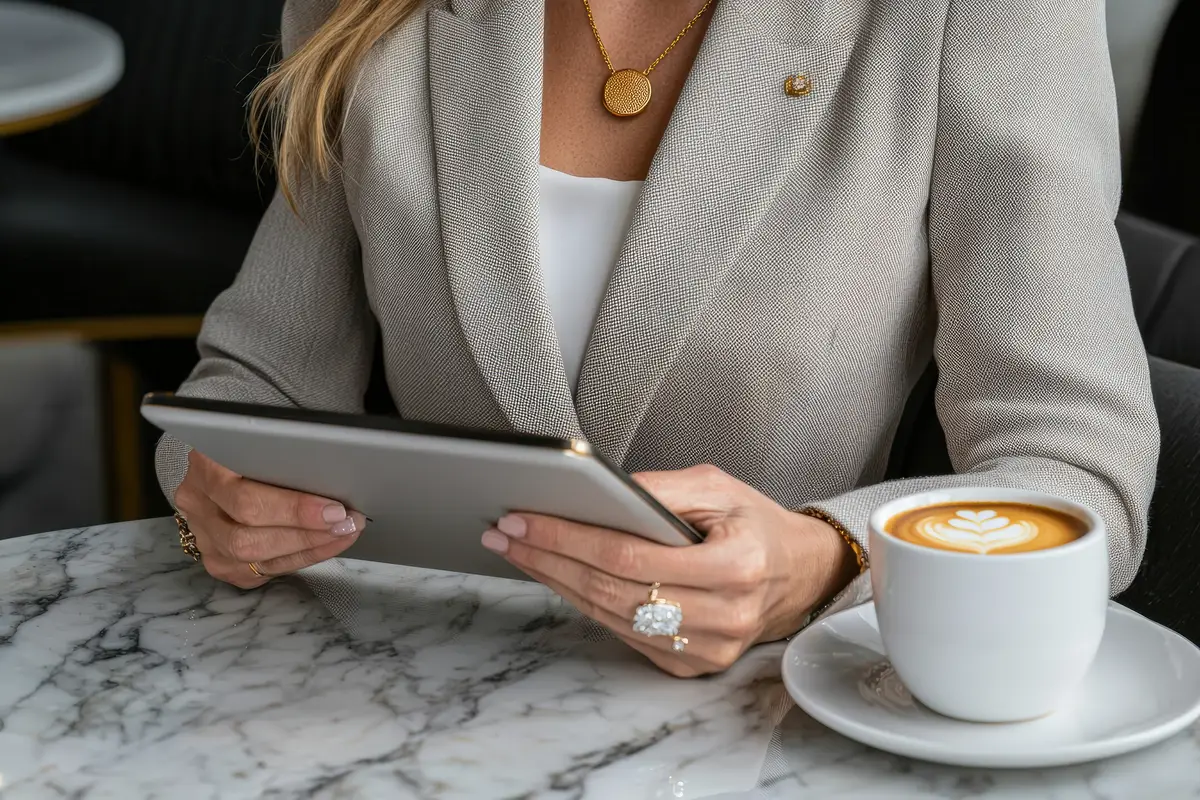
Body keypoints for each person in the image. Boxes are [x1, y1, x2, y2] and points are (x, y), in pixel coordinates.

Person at [160, 0, 1159, 677]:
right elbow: (254, 378)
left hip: (780, 729)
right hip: (416, 700)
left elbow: (1079, 471)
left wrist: (824, 556)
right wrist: (214, 499)